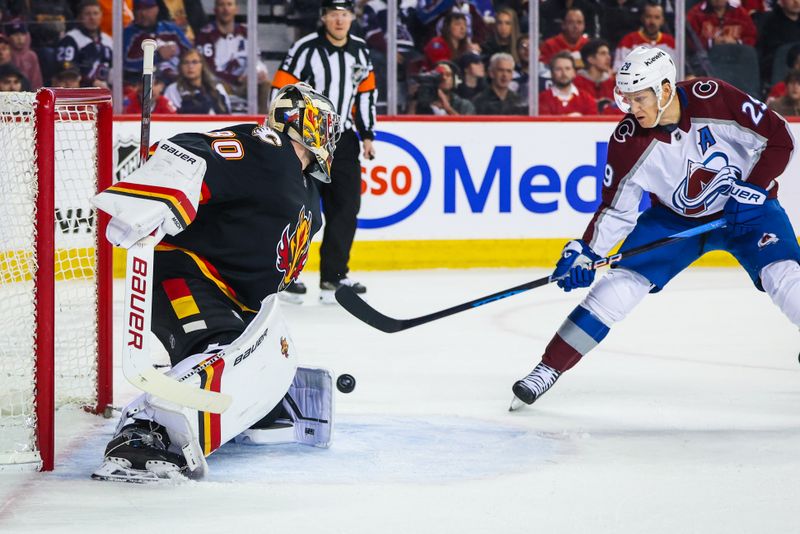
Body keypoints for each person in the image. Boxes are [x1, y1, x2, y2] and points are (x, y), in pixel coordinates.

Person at [510, 46, 800, 409]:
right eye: (627, 99)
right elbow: (616, 210)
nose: (633, 108)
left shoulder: (715, 98)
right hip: (675, 221)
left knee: (787, 281)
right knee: (616, 288)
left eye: (639, 98)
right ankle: (547, 369)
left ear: (665, 89)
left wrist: (754, 188)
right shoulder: (628, 140)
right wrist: (584, 252)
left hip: (748, 211)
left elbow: (780, 138)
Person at [90, 83, 341, 482]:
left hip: (233, 299)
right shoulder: (266, 147)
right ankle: (144, 428)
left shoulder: (309, 192)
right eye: (325, 124)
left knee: (244, 353)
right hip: (186, 272)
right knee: (218, 349)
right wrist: (158, 193)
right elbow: (193, 150)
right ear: (302, 121)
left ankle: (245, 401)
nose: (330, 136)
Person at [271, 0, 377, 304]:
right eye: (334, 14)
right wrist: (283, 133)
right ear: (323, 17)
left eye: (345, 15)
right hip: (305, 139)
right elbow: (281, 89)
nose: (339, 20)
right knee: (301, 208)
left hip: (342, 140)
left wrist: (367, 134)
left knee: (346, 208)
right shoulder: (305, 48)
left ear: (352, 17)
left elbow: (366, 94)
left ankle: (334, 277)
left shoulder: (360, 50)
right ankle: (285, 276)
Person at [195, 0, 272, 113]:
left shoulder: (245, 32)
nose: (225, 9)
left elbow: (256, 60)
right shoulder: (206, 34)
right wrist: (235, 79)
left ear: (236, 9)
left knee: (265, 84)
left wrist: (258, 72)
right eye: (221, 5)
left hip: (243, 84)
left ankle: (262, 122)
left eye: (229, 4)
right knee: (216, 87)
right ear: (215, 9)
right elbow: (208, 69)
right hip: (218, 84)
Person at [123, 0, 192, 85]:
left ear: (156, 9)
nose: (143, 14)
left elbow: (192, 53)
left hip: (176, 83)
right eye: (139, 9)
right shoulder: (128, 33)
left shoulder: (171, 29)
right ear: (133, 12)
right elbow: (124, 65)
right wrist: (157, 56)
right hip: (141, 85)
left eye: (147, 9)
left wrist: (177, 51)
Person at [56, 0, 113, 88]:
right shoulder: (70, 39)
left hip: (106, 90)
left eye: (95, 13)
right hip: (81, 90)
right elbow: (66, 69)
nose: (92, 17)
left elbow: (114, 68)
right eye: (87, 14)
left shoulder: (108, 40)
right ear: (79, 17)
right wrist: (91, 82)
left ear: (101, 16)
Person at [164, 48, 231, 114]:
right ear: (181, 66)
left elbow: (228, 114)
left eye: (194, 62)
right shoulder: (173, 90)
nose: (190, 66)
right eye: (186, 62)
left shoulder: (217, 87)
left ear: (202, 65)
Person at [613, 1, 676, 71]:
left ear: (662, 20)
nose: (652, 22)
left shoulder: (671, 43)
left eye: (657, 17)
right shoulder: (628, 41)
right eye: (649, 16)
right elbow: (618, 72)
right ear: (642, 18)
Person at [407, 60, 475, 115]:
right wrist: (414, 99)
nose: (444, 78)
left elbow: (467, 128)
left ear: (455, 79)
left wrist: (448, 109)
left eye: (448, 75)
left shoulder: (464, 105)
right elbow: (407, 126)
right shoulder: (421, 104)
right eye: (439, 75)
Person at [687, 0, 758, 50]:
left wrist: (737, 43)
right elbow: (689, 41)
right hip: (708, 63)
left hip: (736, 59)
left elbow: (752, 36)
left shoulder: (740, 13)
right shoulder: (695, 14)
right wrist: (712, 43)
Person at [574, 38, 615, 112]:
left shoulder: (612, 82)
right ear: (590, 59)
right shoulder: (576, 83)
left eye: (608, 53)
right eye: (603, 53)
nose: (608, 57)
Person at [5, 18, 43, 90]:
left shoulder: (31, 56)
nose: (19, 38)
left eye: (22, 34)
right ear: (8, 37)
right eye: (15, 34)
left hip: (28, 95)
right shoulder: (4, 54)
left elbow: (36, 81)